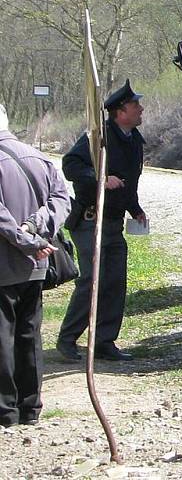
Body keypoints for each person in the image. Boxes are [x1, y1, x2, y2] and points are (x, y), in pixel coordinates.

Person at [57, 79, 147, 362]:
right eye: (135, 106)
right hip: (89, 221)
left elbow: (129, 182)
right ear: (121, 111)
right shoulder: (99, 137)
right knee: (92, 281)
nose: (141, 109)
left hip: (114, 222)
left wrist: (135, 208)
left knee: (114, 282)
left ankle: (105, 342)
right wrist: (99, 179)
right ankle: (68, 339)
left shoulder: (134, 141)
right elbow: (71, 165)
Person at [0, 104, 70, 426]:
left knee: (4, 337)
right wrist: (38, 229)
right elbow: (61, 201)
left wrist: (30, 237)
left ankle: (6, 411)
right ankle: (31, 408)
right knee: (29, 334)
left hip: (6, 264)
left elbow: (3, 221)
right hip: (36, 263)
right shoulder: (38, 157)